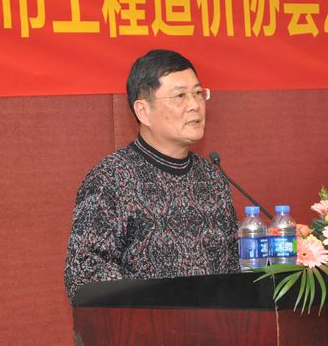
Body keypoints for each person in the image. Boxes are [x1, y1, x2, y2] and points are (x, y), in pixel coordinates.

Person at [64, 49, 239, 302]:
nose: (195, 105)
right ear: (143, 111)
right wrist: (156, 301)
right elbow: (83, 272)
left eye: (198, 93)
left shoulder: (212, 178)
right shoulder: (111, 178)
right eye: (180, 96)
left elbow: (232, 266)